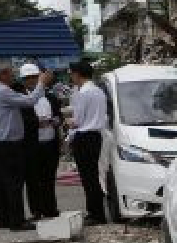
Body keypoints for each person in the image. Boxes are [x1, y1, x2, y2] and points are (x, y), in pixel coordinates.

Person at [0, 62, 53, 231]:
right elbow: (30, 100)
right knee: (14, 183)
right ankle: (17, 221)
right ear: (2, 74)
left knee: (1, 182)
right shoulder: (2, 91)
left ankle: (3, 219)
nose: (13, 76)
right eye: (10, 73)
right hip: (9, 143)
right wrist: (41, 82)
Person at [67, 61, 109, 225]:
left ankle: (96, 214)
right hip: (96, 136)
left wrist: (69, 123)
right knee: (92, 175)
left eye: (72, 74)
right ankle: (96, 212)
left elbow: (78, 120)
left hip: (84, 136)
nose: (71, 77)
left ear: (78, 74)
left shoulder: (82, 93)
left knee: (88, 178)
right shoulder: (98, 91)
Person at [18, 64, 62, 220]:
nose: (31, 81)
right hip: (32, 146)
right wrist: (39, 123)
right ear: (23, 80)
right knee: (32, 180)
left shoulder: (51, 97)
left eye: (34, 77)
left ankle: (50, 208)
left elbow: (58, 116)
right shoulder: (21, 98)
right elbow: (22, 121)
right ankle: (36, 210)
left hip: (50, 143)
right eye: (27, 78)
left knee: (49, 178)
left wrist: (56, 121)